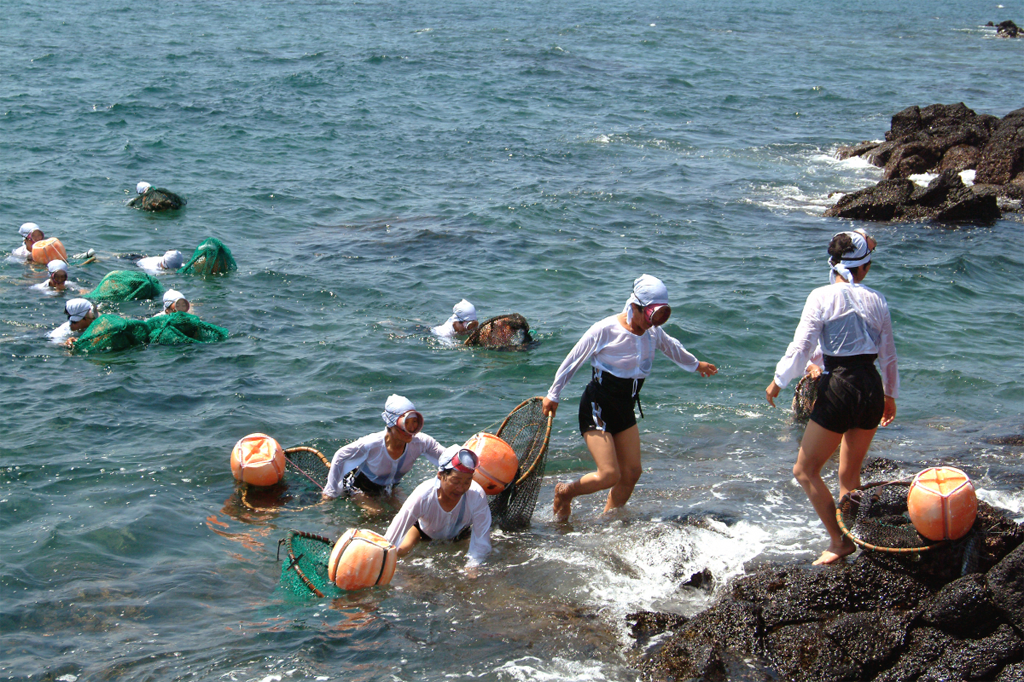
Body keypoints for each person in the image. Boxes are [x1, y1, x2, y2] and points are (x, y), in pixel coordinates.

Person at [765, 230, 898, 565]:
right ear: (864, 268)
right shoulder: (877, 300)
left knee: (805, 470)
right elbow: (889, 356)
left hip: (838, 384)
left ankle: (839, 542)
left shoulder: (821, 296)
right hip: (870, 386)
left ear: (834, 267)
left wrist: (779, 380)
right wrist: (890, 395)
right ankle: (853, 535)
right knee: (849, 476)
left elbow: (802, 348)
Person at [542, 274, 719, 521]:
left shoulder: (653, 333)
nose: (654, 323)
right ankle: (564, 492)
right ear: (634, 307)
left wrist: (696, 364)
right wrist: (554, 394)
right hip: (597, 406)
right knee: (608, 475)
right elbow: (573, 359)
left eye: (660, 316)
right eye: (651, 315)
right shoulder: (605, 329)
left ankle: (607, 523)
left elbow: (673, 348)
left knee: (632, 473)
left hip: (624, 407)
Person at [322, 394, 445, 513]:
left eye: (414, 421)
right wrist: (330, 491)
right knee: (376, 512)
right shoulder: (372, 444)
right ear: (392, 423)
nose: (411, 428)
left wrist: (463, 452)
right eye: (406, 423)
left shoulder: (421, 442)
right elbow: (340, 456)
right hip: (358, 488)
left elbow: (447, 457)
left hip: (389, 488)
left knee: (410, 512)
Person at [384, 445, 493, 571]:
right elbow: (393, 534)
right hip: (423, 532)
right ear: (440, 475)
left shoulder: (476, 494)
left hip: (461, 533)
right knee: (398, 552)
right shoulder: (423, 495)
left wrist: (472, 567)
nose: (461, 488)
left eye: (467, 482)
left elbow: (481, 541)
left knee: (482, 557)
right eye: (456, 481)